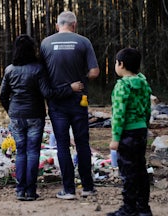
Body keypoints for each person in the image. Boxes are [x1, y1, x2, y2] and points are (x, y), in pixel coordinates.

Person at [0, 34, 83, 201]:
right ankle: (30, 191)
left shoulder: (9, 70)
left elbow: (3, 96)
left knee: (20, 153)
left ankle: (19, 190)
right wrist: (70, 88)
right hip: (35, 116)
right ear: (32, 50)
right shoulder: (38, 69)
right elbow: (48, 93)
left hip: (16, 116)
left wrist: (12, 111)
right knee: (32, 152)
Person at [40, 11, 100, 200]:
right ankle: (88, 187)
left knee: (63, 146)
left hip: (57, 102)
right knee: (82, 144)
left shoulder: (45, 43)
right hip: (78, 101)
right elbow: (95, 72)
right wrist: (81, 79)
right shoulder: (83, 42)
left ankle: (68, 189)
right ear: (74, 25)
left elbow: (41, 73)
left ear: (58, 25)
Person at [107, 48, 153, 216]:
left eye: (115, 63)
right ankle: (143, 208)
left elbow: (119, 114)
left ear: (121, 64)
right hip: (140, 131)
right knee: (141, 169)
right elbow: (148, 108)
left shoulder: (122, 86)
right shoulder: (143, 83)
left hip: (127, 133)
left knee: (128, 172)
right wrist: (144, 126)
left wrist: (115, 138)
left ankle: (129, 208)